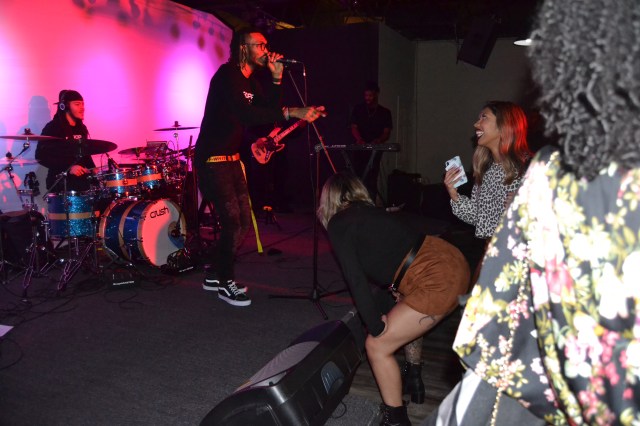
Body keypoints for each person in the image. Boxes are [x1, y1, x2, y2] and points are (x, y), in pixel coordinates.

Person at [446, 0, 640, 424]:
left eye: (483, 117)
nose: (476, 123)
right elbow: (480, 219)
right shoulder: (500, 169)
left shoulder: (533, 169)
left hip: (517, 271)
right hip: (499, 262)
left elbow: (509, 228)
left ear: (504, 126)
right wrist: (455, 194)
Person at [318, 172, 469, 425]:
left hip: (436, 276)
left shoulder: (338, 223)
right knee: (404, 306)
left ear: (328, 200)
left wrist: (375, 326)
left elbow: (355, 280)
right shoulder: (372, 213)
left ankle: (395, 420)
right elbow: (395, 254)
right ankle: (413, 377)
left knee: (377, 346)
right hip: (450, 259)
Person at [194, 27, 326, 307]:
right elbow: (246, 115)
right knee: (232, 223)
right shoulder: (226, 76)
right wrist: (293, 111)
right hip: (212, 161)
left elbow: (267, 115)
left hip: (232, 160)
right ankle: (225, 283)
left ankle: (214, 273)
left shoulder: (252, 83)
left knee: (243, 222)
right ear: (243, 48)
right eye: (260, 45)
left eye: (266, 45)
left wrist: (277, 79)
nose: (266, 50)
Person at [36, 89, 95, 192]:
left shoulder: (81, 128)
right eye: (77, 104)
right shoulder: (53, 127)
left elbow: (85, 153)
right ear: (65, 107)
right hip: (61, 181)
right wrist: (69, 168)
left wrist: (93, 168)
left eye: (82, 104)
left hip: (81, 182)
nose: (82, 108)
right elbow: (41, 156)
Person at [348, 81, 393, 203]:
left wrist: (378, 140)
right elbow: (353, 127)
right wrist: (359, 140)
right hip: (360, 149)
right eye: (366, 95)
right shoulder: (358, 109)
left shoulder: (385, 112)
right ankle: (357, 202)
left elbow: (386, 132)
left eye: (370, 95)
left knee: (372, 177)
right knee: (357, 175)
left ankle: (370, 203)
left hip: (374, 149)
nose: (367, 98)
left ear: (376, 94)